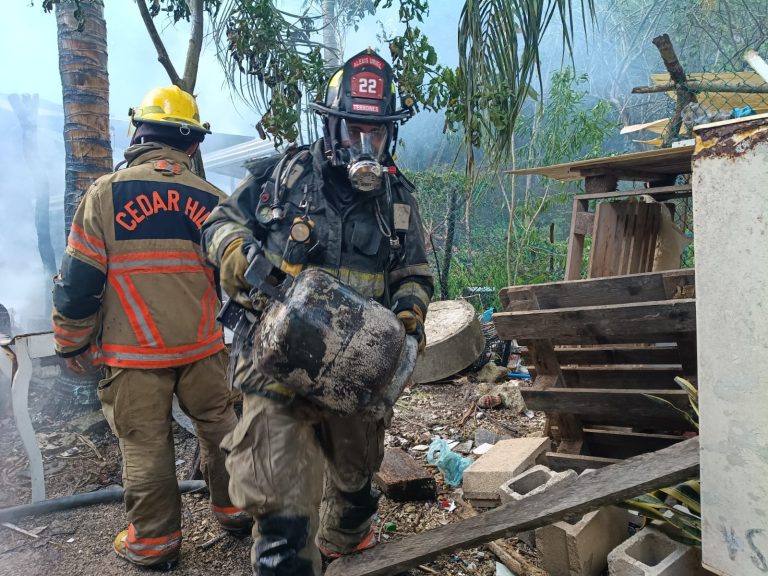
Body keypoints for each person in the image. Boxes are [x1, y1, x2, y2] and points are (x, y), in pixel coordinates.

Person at [201, 49, 434, 576]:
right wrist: (237, 252)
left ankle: (347, 538)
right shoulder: (283, 176)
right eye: (354, 131)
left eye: (376, 133)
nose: (365, 146)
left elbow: (415, 274)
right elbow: (216, 223)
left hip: (355, 373)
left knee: (354, 486)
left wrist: (405, 320)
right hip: (273, 365)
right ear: (330, 126)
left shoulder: (396, 199)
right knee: (281, 507)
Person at [51, 85, 250, 571]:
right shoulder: (215, 199)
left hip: (133, 353)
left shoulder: (105, 194)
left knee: (144, 443)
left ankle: (156, 544)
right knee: (221, 425)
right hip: (203, 346)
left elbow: (80, 281)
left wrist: (70, 341)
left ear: (137, 133)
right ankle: (237, 511)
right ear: (193, 145)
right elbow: (238, 280)